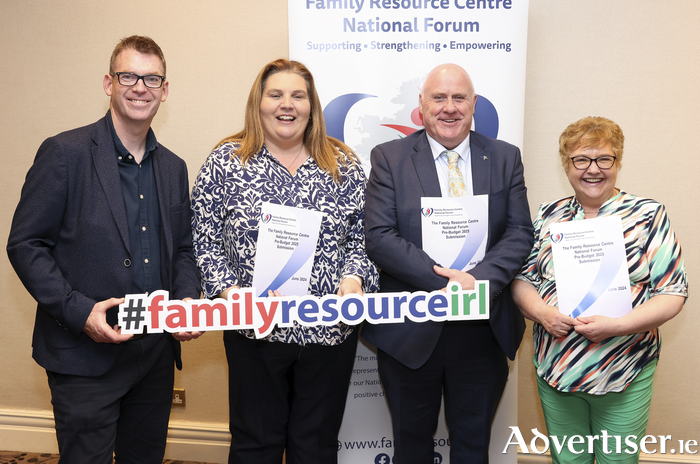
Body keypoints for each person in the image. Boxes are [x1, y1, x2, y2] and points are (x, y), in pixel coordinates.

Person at [6, 35, 202, 464]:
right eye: (128, 75)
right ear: (108, 83)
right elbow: (25, 244)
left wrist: (187, 301)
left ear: (164, 90)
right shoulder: (64, 153)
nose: (140, 87)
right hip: (85, 356)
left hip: (153, 353)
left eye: (152, 78)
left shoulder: (173, 167)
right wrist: (80, 312)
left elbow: (183, 249)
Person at [190, 58, 379, 464]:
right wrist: (229, 291)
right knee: (255, 446)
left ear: (312, 106)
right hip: (254, 332)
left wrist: (354, 278)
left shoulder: (342, 163)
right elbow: (202, 238)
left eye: (298, 95)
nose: (286, 104)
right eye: (275, 94)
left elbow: (364, 238)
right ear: (258, 103)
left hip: (328, 330)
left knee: (315, 447)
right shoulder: (226, 161)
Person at [361, 63, 534, 463]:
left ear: (474, 105)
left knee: (473, 448)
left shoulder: (505, 158)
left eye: (459, 98)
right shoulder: (390, 157)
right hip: (411, 328)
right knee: (411, 447)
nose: (449, 108)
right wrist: (446, 285)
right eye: (439, 98)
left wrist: (479, 280)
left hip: (482, 328)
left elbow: (520, 231)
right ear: (421, 105)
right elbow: (380, 236)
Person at [512, 116, 687, 464]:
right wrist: (543, 314)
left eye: (603, 159)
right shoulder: (550, 214)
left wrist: (618, 326)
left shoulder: (647, 215)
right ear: (567, 165)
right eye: (581, 159)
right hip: (556, 367)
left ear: (617, 161)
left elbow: (672, 292)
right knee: (568, 461)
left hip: (624, 367)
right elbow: (523, 280)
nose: (593, 169)